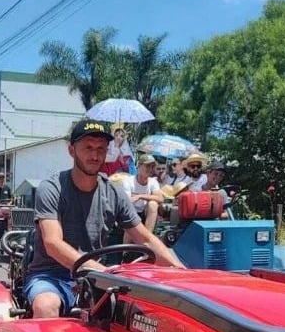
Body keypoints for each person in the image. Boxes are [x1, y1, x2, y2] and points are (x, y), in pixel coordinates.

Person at [26, 120, 185, 318]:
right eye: (88, 148)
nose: (95, 155)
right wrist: (104, 272)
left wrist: (180, 272)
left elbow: (145, 239)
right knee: (46, 306)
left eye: (101, 149)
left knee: (150, 314)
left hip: (96, 279)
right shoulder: (52, 188)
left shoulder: (114, 193)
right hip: (52, 276)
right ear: (71, 151)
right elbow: (52, 243)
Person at [121, 154, 164, 234]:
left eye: (152, 166)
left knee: (153, 204)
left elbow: (160, 198)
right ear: (139, 166)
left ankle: (147, 237)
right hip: (130, 214)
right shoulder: (128, 181)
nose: (150, 169)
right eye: (147, 166)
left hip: (144, 213)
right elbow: (127, 202)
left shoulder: (153, 182)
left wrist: (139, 196)